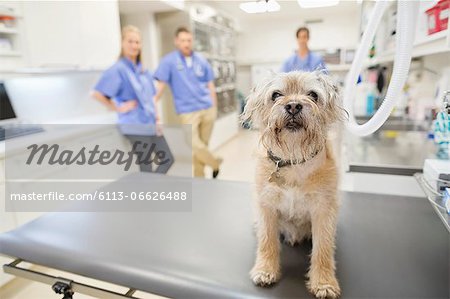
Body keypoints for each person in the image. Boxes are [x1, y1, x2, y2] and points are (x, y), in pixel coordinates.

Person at [92, 25, 174, 174]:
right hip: (134, 124)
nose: (134, 45)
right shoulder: (118, 69)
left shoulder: (143, 71)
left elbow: (151, 98)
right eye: (130, 41)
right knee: (146, 166)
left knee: (167, 159)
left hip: (150, 123)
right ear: (122, 43)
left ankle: (149, 190)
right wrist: (119, 107)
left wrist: (157, 118)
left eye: (137, 42)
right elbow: (97, 94)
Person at [154, 27, 222, 179]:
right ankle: (215, 162)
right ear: (176, 41)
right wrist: (151, 104)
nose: (186, 43)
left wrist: (214, 106)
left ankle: (199, 178)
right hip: (187, 110)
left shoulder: (201, 60)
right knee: (193, 143)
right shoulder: (169, 61)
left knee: (202, 145)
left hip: (207, 107)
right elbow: (160, 87)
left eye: (189, 40)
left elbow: (210, 85)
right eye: (183, 40)